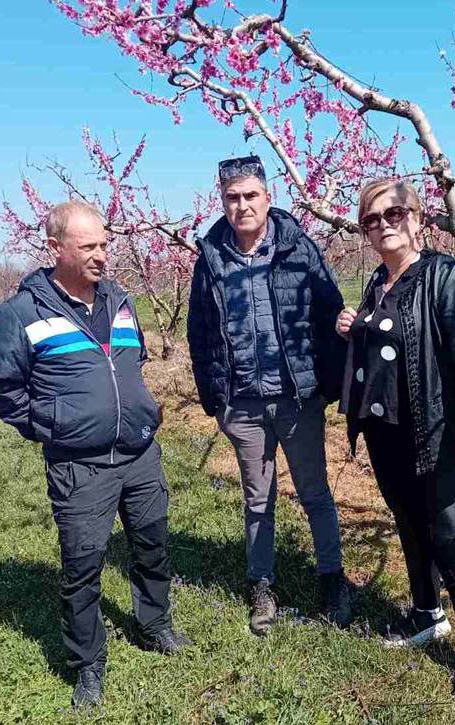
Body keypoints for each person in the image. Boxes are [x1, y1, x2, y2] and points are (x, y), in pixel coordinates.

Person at [0, 201, 189, 710]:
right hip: (80, 466)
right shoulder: (22, 313)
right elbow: (1, 383)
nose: (102, 255)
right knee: (82, 565)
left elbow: (132, 360)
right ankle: (88, 664)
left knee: (152, 544)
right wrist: (51, 424)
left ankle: (153, 623)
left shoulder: (121, 301)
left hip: (139, 454)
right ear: (56, 249)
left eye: (104, 244)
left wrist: (138, 409)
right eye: (89, 246)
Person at [336, 179, 455, 707]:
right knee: (408, 521)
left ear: (418, 218)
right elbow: (390, 341)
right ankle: (427, 614)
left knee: (451, 532)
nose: (383, 225)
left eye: (394, 213)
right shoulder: (379, 283)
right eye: (371, 220)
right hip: (389, 431)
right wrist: (356, 328)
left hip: (440, 430)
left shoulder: (446, 277)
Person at [187, 155, 351, 636]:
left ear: (268, 197)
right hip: (243, 405)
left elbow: (330, 312)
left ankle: (331, 577)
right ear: (222, 201)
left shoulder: (299, 248)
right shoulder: (211, 258)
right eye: (232, 198)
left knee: (315, 492)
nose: (242, 206)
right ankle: (262, 585)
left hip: (298, 400)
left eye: (250, 196)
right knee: (257, 499)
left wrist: (327, 386)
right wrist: (215, 401)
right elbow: (199, 333)